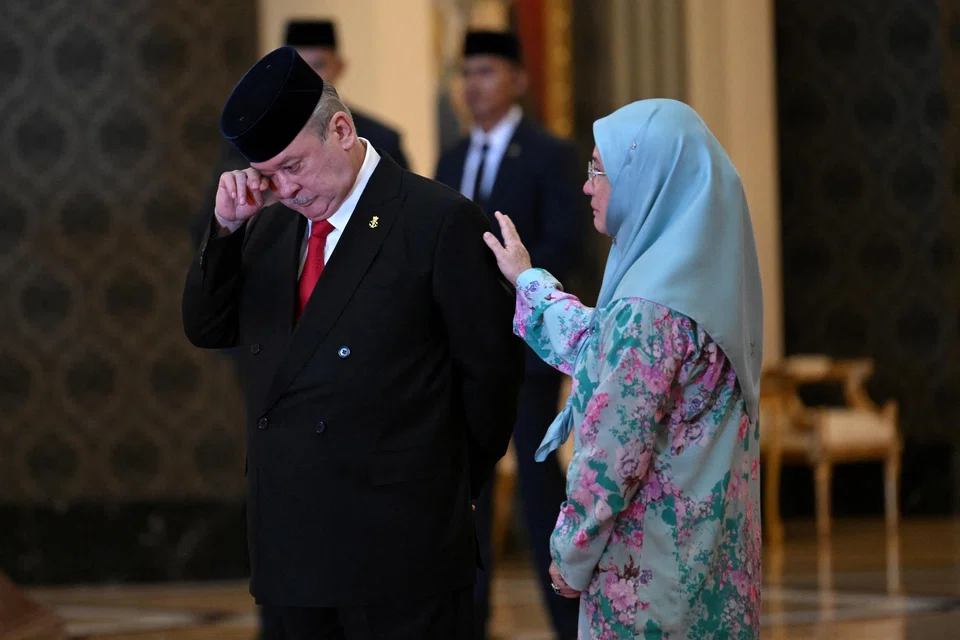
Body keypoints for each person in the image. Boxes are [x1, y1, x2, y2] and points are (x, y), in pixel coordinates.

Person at [182, 46, 524, 639]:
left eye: (293, 165)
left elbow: (491, 378)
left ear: (340, 129)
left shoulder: (435, 220)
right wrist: (226, 231)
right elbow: (208, 329)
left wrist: (439, 483)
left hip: (399, 546)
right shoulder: (267, 227)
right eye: (268, 174)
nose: (284, 188)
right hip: (291, 545)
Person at [483, 99, 764, 638]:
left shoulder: (647, 309)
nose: (587, 186)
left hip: (650, 580)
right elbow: (604, 349)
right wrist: (527, 279)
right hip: (715, 568)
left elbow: (611, 455)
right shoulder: (700, 283)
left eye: (598, 169)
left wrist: (569, 551)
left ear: (646, 177)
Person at [434, 30, 582, 640]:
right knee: (466, 492)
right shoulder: (447, 159)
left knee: (540, 490)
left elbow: (564, 247)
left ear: (518, 79)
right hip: (460, 357)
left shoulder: (550, 153)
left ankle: (569, 623)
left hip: (528, 354)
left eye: (487, 71)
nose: (474, 84)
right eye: (466, 72)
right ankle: (470, 624)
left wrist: (504, 293)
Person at [191, 19, 410, 249]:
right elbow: (207, 236)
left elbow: (403, 216)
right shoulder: (253, 142)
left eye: (317, 64)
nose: (305, 75)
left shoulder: (382, 138)